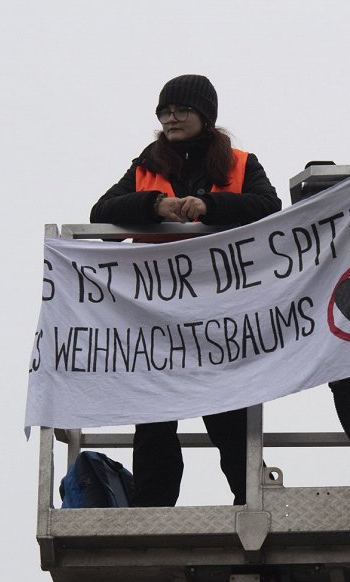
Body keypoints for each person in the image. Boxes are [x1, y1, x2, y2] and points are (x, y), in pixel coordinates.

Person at [90, 74, 282, 506]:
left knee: (229, 414)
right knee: (155, 418)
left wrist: (211, 207)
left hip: (222, 314)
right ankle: (152, 509)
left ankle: (250, 500)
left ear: (205, 115)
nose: (171, 118)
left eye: (181, 110)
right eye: (165, 112)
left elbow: (269, 208)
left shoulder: (240, 162)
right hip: (156, 314)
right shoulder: (145, 166)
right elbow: (101, 214)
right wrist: (154, 206)